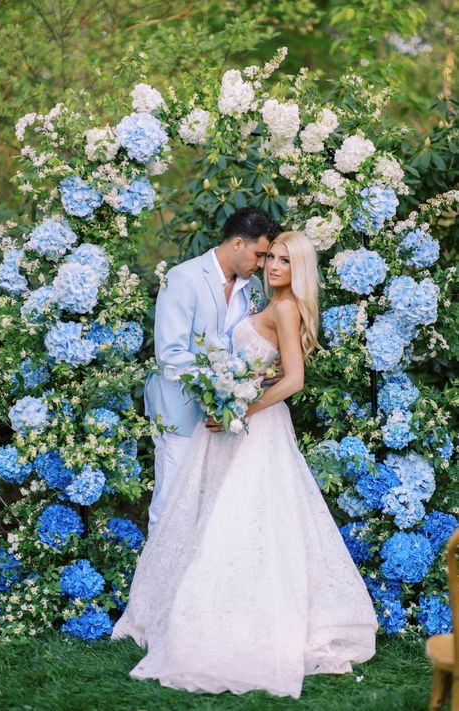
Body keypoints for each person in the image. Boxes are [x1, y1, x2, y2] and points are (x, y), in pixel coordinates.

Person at [112, 230, 378, 699]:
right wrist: (241, 388)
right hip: (237, 424)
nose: (273, 266)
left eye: (283, 261)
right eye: (270, 256)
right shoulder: (264, 300)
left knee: (246, 519)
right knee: (227, 517)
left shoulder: (284, 306)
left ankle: (245, 621)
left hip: (255, 426)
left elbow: (294, 379)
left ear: (299, 271)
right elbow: (270, 366)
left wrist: (242, 408)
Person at [145, 206, 280, 534]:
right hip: (181, 413)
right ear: (237, 243)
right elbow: (171, 355)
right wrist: (225, 386)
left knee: (213, 513)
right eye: (259, 255)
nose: (262, 265)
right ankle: (158, 584)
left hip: (226, 423)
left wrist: (257, 377)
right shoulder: (183, 278)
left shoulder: (255, 292)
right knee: (172, 503)